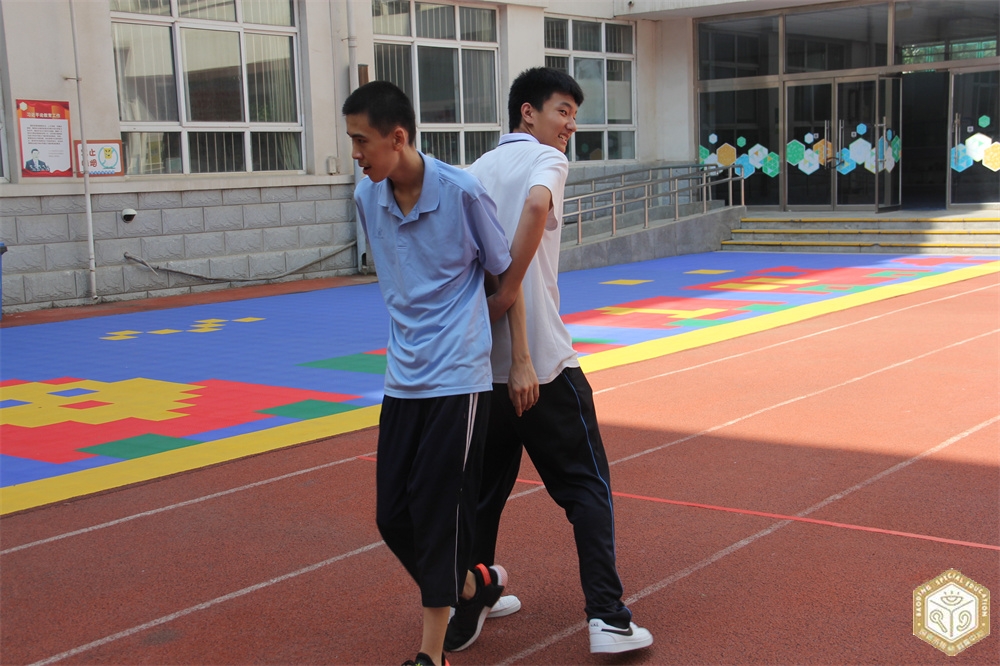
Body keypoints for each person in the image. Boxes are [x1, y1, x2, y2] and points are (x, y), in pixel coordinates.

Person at [445, 67, 654, 655]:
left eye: (574, 115)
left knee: (481, 495)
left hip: (480, 369)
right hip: (543, 366)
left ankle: (471, 601)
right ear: (528, 113)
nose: (571, 126)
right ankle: (608, 618)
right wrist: (512, 290)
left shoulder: (472, 172)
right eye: (563, 111)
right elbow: (538, 204)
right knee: (587, 488)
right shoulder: (546, 160)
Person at [343, 80, 538, 666]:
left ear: (397, 137)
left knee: (437, 513)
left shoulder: (462, 193)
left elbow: (505, 276)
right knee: (392, 516)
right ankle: (473, 585)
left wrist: (520, 359)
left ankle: (432, 655)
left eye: (362, 141)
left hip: (458, 377)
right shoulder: (366, 196)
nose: (355, 153)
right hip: (403, 377)